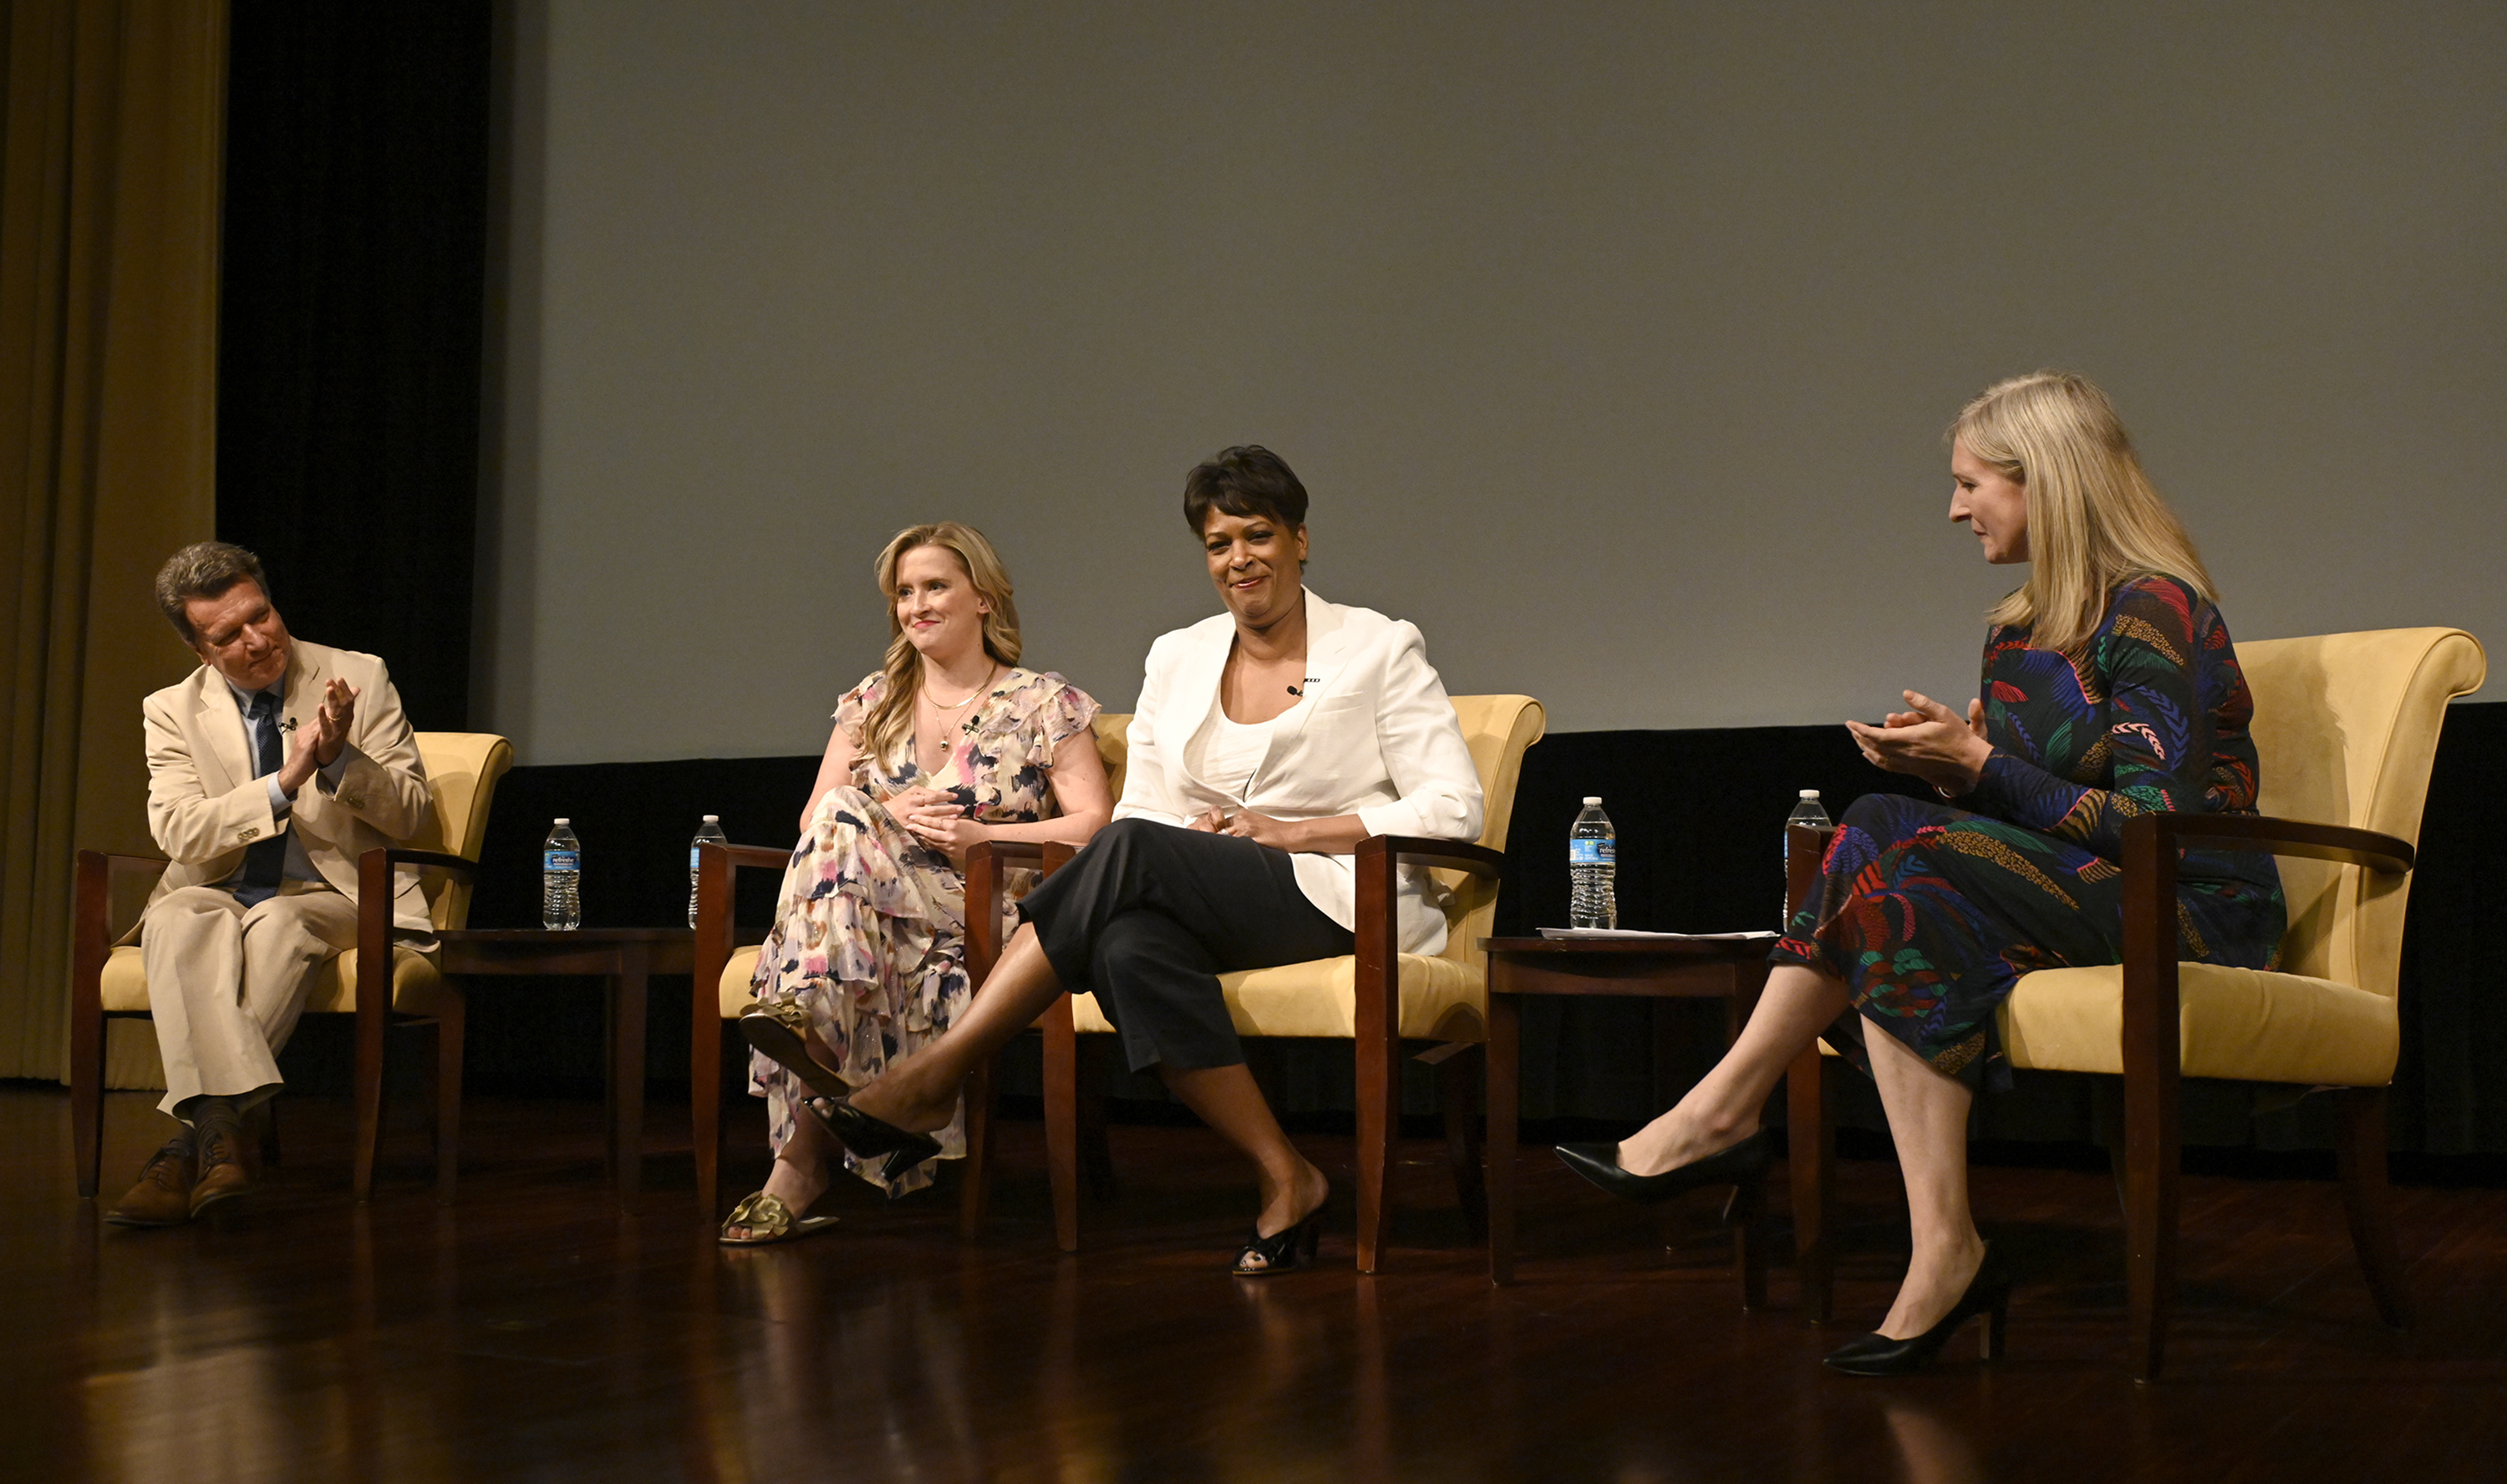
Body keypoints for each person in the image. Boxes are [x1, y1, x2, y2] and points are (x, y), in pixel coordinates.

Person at [1554, 371, 2286, 1374]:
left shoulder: (2155, 611)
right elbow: (2027, 821)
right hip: (2085, 896)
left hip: (2192, 906)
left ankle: (1720, 1114)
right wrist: (1954, 772)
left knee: (1881, 832)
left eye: (1972, 484)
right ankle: (1943, 1248)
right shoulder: (2018, 630)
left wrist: (1981, 765)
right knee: (1895, 878)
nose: (1953, 508)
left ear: (2046, 481)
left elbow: (2156, 830)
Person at [767, 445, 1483, 1274]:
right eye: (1219, 544)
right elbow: (1144, 810)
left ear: (1299, 540)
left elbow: (1454, 807)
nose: (1239, 559)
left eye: (1258, 536)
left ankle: (937, 1073)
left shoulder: (1378, 648)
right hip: (1220, 893)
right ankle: (1288, 1176)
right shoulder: (1177, 656)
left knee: (1130, 848)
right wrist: (1197, 839)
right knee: (1124, 946)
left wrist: (1294, 831)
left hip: (1343, 894)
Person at [722, 521, 1112, 1244]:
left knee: (843, 835)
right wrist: (887, 815)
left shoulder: (1042, 701)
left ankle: (798, 1138)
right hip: (869, 910)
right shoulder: (871, 702)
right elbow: (815, 820)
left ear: (984, 598)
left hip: (984, 907)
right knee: (842, 815)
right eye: (904, 592)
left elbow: (1095, 826)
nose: (916, 605)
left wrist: (980, 838)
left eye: (935, 586)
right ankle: (807, 1088)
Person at [109, 542, 435, 1227]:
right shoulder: (170, 708)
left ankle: (189, 1144)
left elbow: (411, 814)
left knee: (279, 921)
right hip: (224, 887)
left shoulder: (359, 676)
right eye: (229, 635)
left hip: (342, 896)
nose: (258, 640)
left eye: (261, 615)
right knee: (174, 917)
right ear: (200, 650)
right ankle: (222, 1140)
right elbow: (180, 833)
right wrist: (284, 783)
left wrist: (339, 757)